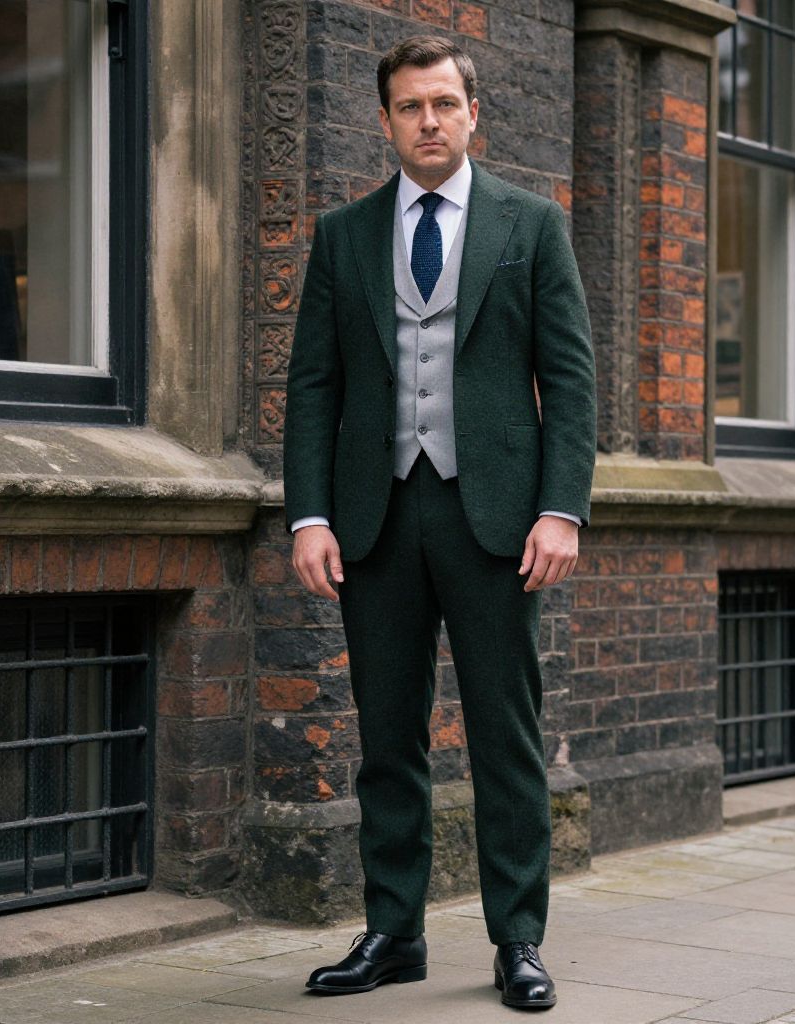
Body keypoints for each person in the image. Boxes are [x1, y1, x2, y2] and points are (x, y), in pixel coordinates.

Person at [282, 34, 596, 1012]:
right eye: (410, 106)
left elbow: (571, 379)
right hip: (375, 515)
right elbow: (312, 386)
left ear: (473, 115)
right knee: (386, 734)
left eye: (444, 104)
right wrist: (308, 516)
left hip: (496, 515)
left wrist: (560, 507)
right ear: (385, 121)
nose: (428, 121)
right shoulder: (343, 234)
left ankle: (518, 939)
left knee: (504, 732)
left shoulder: (531, 224)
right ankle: (393, 930)